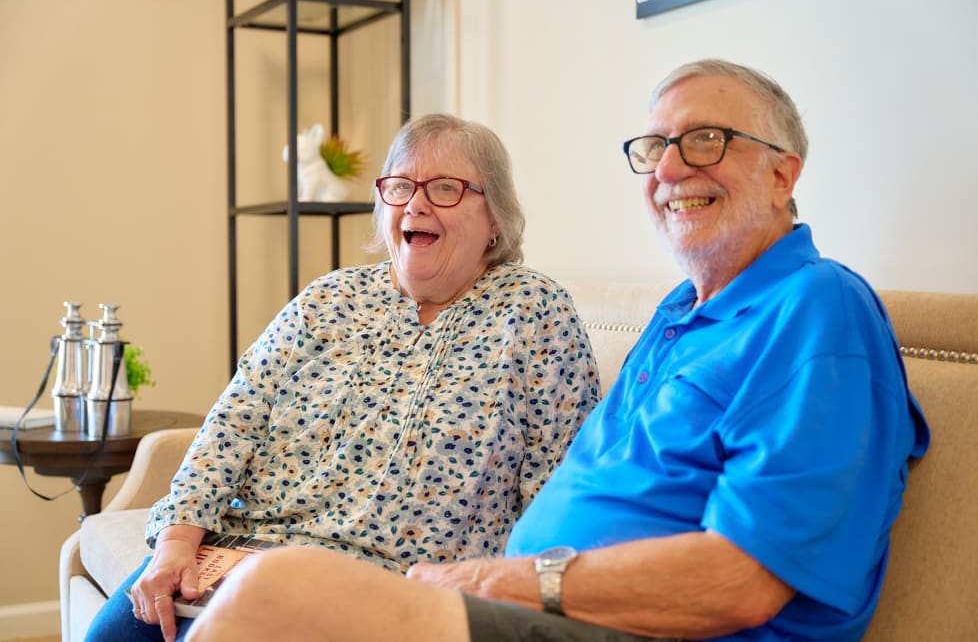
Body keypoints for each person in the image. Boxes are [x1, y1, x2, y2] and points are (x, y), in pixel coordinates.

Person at [184, 59, 930, 642]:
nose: (670, 170)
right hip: (539, 612)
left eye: (706, 140)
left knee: (280, 590)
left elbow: (744, 581)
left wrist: (499, 581)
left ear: (783, 172)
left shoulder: (817, 307)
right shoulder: (679, 317)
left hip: (633, 629)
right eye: (656, 148)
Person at [84, 113, 601, 642]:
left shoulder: (534, 312)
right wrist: (175, 544)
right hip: (239, 552)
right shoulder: (328, 299)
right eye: (400, 187)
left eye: (445, 188)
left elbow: (559, 485)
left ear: (495, 218)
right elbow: (232, 425)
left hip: (387, 587)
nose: (415, 204)